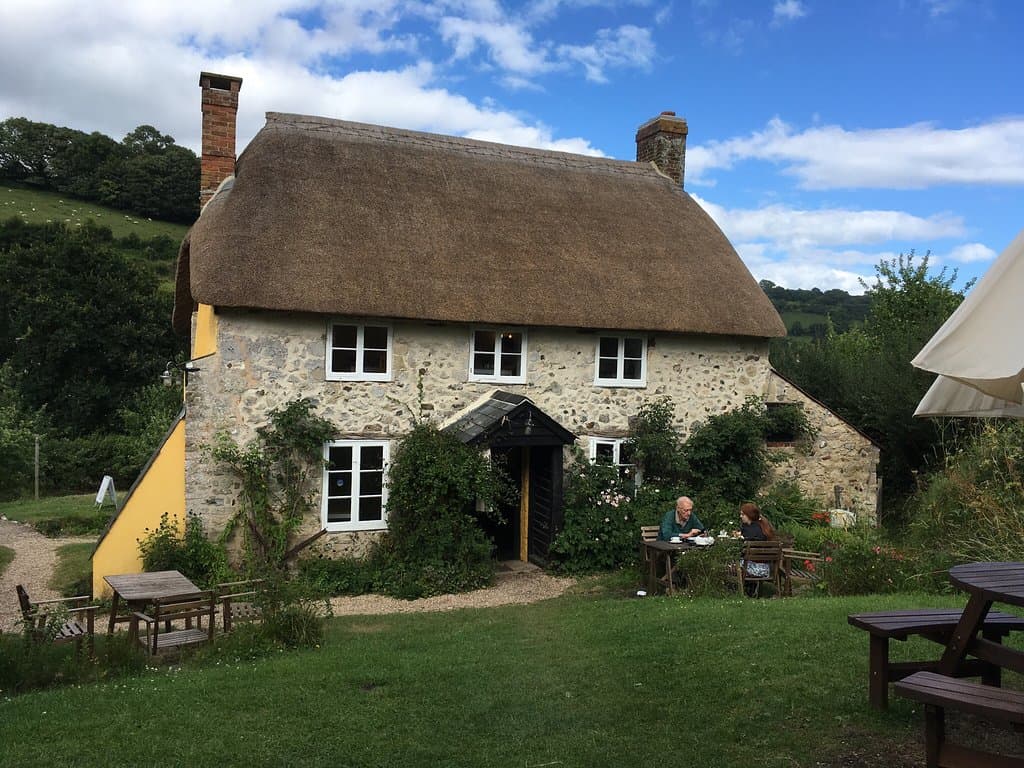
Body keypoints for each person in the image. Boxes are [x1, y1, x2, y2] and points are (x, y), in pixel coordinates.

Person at [735, 502, 776, 582]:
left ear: (749, 515)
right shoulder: (763, 527)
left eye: (743, 514)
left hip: (750, 569)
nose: (740, 516)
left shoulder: (748, 530)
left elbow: (742, 551)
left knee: (727, 563)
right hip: (765, 569)